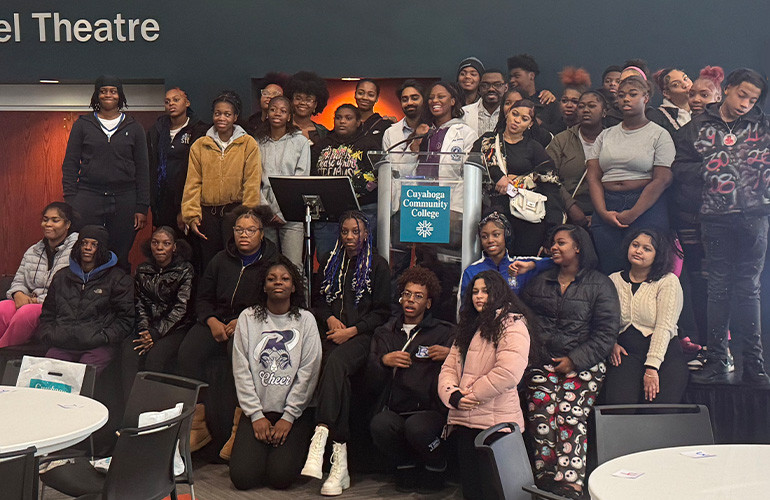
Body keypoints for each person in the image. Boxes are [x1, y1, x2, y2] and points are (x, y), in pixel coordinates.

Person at [674, 68, 770, 386]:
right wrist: (710, 171)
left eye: (752, 100)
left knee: (749, 288)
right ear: (727, 88)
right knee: (717, 287)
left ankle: (754, 364)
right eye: (742, 95)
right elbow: (680, 168)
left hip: (754, 217)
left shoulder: (762, 126)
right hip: (715, 217)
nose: (745, 104)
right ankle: (717, 358)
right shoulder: (697, 126)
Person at [520, 225, 620, 499]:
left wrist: (574, 361)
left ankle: (571, 485)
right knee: (542, 411)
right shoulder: (540, 281)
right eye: (552, 243)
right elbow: (523, 321)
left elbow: (606, 333)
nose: (554, 247)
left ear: (578, 247)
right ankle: (546, 482)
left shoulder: (600, 284)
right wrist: (537, 355)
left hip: (585, 363)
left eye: (561, 243)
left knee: (569, 414)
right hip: (543, 362)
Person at [301, 211, 390, 496]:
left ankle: (321, 433)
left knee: (337, 363)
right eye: (345, 231)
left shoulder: (378, 264)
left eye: (356, 231)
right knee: (335, 373)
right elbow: (317, 300)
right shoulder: (330, 261)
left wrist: (352, 331)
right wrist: (328, 318)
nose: (350, 237)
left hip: (362, 337)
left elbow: (383, 312)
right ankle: (339, 465)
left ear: (366, 234)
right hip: (332, 334)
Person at [176, 206, 278, 450]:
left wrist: (243, 320)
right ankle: (198, 423)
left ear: (261, 233)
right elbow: (203, 297)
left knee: (238, 356)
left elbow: (274, 301)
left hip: (252, 323)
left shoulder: (272, 262)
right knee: (187, 353)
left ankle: (236, 430)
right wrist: (211, 320)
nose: (244, 235)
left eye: (250, 230)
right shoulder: (220, 259)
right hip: (216, 319)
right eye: (239, 229)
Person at [229, 256, 322, 491]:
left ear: (294, 286)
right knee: (242, 478)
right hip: (257, 411)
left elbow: (308, 372)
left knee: (280, 478)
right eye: (271, 279)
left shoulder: (306, 320)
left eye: (285, 279)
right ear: (264, 286)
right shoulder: (248, 318)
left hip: (294, 414)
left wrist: (288, 417)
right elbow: (241, 370)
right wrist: (255, 415)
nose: (278, 282)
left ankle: (283, 453)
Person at [438, 270, 532, 500]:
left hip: (496, 426)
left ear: (498, 293)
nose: (479, 296)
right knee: (471, 490)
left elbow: (508, 373)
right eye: (475, 292)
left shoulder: (513, 325)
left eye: (485, 291)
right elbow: (448, 368)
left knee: (495, 491)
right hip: (464, 420)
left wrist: (470, 396)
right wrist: (453, 396)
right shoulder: (468, 326)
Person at [368, 266, 453, 493]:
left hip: (430, 410)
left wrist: (451, 355)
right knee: (380, 425)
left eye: (418, 296)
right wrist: (383, 361)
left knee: (417, 428)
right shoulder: (385, 332)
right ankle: (405, 465)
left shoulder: (444, 332)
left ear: (428, 303)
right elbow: (370, 380)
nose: (410, 300)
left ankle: (437, 465)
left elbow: (465, 367)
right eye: (407, 294)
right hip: (396, 408)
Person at [586, 76, 675, 274]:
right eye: (621, 95)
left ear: (646, 98)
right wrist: (602, 212)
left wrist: (633, 213)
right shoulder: (605, 135)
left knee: (644, 271)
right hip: (607, 203)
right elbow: (593, 176)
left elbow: (663, 179)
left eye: (633, 94)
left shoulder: (659, 134)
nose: (626, 99)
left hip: (645, 205)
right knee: (610, 269)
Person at [62, 75, 149, 271]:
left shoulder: (134, 127)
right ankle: (87, 289)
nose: (108, 95)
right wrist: (71, 199)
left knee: (120, 253)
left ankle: (119, 290)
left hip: (125, 196)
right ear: (96, 95)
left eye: (113, 91)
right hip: (88, 194)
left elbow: (143, 169)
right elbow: (70, 164)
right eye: (103, 91)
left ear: (120, 95)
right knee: (87, 251)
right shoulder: (82, 125)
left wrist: (142, 206)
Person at [669, 66, 724, 351]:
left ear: (719, 96)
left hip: (722, 219)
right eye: (692, 95)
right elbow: (677, 169)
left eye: (704, 94)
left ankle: (722, 344)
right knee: (696, 281)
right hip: (690, 217)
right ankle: (706, 344)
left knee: (720, 280)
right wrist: (711, 169)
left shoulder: (732, 131)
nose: (697, 99)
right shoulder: (683, 133)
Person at [603, 229, 688, 405]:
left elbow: (664, 327)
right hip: (626, 353)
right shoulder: (613, 280)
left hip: (664, 356)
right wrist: (611, 343)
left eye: (647, 249)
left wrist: (652, 368)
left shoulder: (668, 281)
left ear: (658, 255)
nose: (638, 251)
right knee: (619, 408)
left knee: (657, 414)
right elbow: (603, 320)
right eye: (635, 245)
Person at [181, 90, 262, 270]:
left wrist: (248, 214)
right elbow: (193, 183)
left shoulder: (248, 143)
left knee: (234, 261)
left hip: (235, 212)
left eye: (227, 114)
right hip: (207, 214)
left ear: (235, 117)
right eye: (218, 113)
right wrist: (192, 215)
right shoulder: (200, 145)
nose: (222, 118)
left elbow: (252, 181)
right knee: (209, 263)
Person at [38, 225, 134, 374]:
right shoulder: (62, 276)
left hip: (97, 345)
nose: (87, 248)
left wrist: (104, 337)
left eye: (94, 244)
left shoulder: (118, 278)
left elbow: (125, 319)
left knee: (82, 377)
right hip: (62, 343)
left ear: (102, 249)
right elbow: (48, 313)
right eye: (84, 243)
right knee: (48, 376)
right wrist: (50, 334)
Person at [473, 99, 564, 255]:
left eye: (524, 118)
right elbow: (471, 164)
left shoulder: (534, 148)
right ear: (507, 114)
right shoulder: (487, 141)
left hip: (527, 219)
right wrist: (498, 176)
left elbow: (551, 185)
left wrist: (519, 182)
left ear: (530, 124)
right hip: (493, 215)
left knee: (522, 264)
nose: (517, 120)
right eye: (515, 114)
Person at [120, 227, 195, 399]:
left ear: (174, 247)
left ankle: (153, 407)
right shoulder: (142, 269)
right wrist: (145, 330)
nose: (160, 247)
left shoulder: (185, 270)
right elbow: (139, 303)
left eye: (166, 243)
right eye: (155, 243)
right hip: (147, 326)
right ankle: (131, 408)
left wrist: (155, 333)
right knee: (129, 351)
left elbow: (181, 308)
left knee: (156, 357)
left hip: (174, 328)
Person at [1, 202, 78, 348]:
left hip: (56, 308)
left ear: (67, 224)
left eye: (55, 220)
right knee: (3, 308)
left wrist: (35, 301)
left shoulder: (77, 251)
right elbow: (19, 280)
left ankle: (3, 348)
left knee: (27, 312)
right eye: (45, 219)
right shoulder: (33, 250)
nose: (48, 224)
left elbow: (71, 290)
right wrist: (18, 294)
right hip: (29, 301)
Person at [311, 104, 381, 257]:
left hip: (363, 209)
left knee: (362, 258)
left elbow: (377, 175)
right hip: (328, 212)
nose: (342, 121)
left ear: (358, 122)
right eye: (338, 118)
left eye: (348, 118)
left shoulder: (369, 144)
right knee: (327, 258)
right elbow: (311, 173)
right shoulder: (322, 145)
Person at [254, 96, 311, 269]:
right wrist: (266, 210)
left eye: (283, 111)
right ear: (267, 114)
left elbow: (301, 179)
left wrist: (282, 211)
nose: (277, 113)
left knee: (293, 266)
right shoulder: (257, 143)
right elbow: (253, 179)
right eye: (273, 109)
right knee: (266, 266)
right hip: (265, 215)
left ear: (289, 116)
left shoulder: (301, 142)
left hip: (291, 215)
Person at [147, 87, 208, 231]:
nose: (171, 104)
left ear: (187, 103)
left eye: (176, 100)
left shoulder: (199, 130)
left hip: (188, 196)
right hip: (162, 200)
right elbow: (149, 165)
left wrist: (185, 207)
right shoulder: (156, 130)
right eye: (167, 101)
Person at [547, 89, 609, 226]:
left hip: (606, 214)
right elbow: (548, 176)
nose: (585, 110)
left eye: (592, 106)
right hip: (566, 213)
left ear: (604, 112)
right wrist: (571, 207)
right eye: (581, 106)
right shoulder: (561, 140)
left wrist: (601, 214)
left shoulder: (613, 140)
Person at [460, 211, 553, 300]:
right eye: (484, 236)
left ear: (506, 236)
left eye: (496, 235)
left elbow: (555, 262)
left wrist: (531, 265)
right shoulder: (471, 271)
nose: (490, 240)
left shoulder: (520, 265)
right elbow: (464, 307)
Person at [507, 54, 559, 129]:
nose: (512, 80)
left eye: (517, 76)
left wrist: (536, 121)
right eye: (510, 77)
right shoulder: (507, 102)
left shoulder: (547, 101)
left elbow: (557, 131)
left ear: (531, 76)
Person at [284, 71, 330, 146]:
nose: (302, 103)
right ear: (291, 101)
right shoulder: (281, 127)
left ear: (316, 104)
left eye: (308, 100)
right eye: (298, 98)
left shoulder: (323, 132)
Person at [382, 80, 425, 152]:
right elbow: (387, 159)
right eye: (405, 100)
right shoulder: (390, 133)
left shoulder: (433, 130)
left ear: (424, 100)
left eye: (414, 98)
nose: (409, 103)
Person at [462, 69, 507, 137]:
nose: (491, 89)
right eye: (485, 85)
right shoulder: (463, 113)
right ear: (479, 88)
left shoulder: (511, 112)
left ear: (506, 88)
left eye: (497, 85)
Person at [548, 67, 592, 135]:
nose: (569, 105)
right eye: (564, 101)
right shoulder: (554, 129)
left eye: (575, 102)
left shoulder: (590, 132)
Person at [355, 78, 394, 146]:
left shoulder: (384, 124)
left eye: (371, 95)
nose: (365, 98)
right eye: (360, 93)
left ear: (376, 98)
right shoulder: (347, 122)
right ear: (355, 94)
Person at [653, 68, 693, 133]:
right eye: (676, 85)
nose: (686, 85)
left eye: (685, 79)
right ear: (667, 93)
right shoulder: (659, 117)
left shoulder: (704, 108)